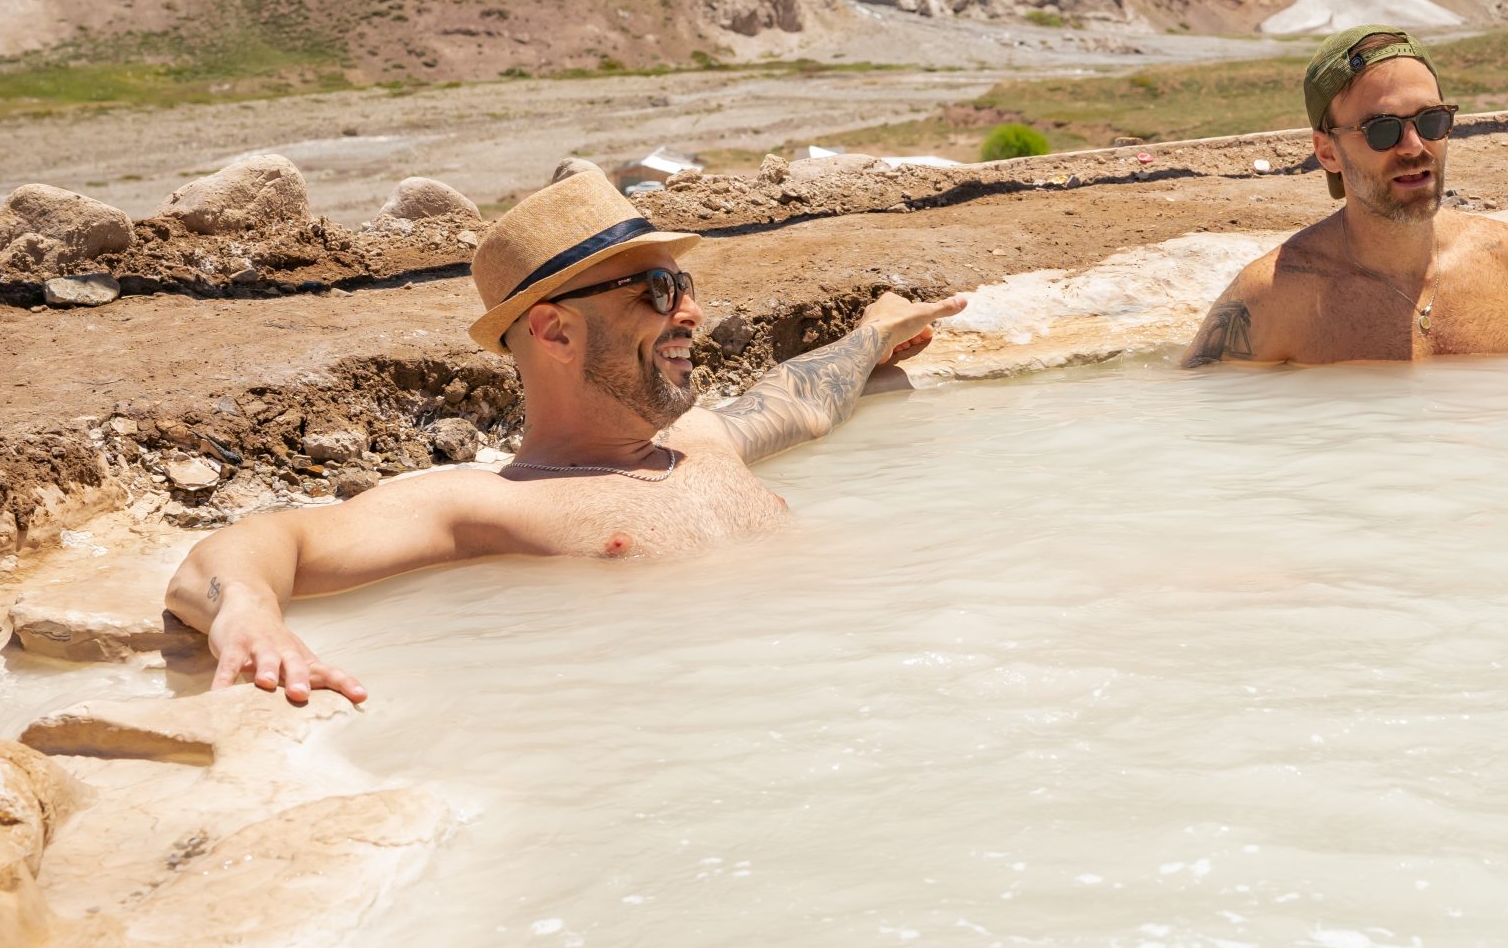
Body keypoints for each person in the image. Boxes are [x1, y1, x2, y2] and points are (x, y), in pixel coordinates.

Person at [165, 166, 965, 704]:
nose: (689, 311)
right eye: (656, 289)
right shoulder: (489, 503)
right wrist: (244, 609)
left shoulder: (703, 441)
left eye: (684, 284)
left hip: (885, 685)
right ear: (551, 331)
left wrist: (873, 334)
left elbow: (799, 397)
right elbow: (255, 543)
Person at [1183, 25, 1508, 367]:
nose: (1413, 147)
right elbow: (1197, 406)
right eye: (1381, 129)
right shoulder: (1275, 296)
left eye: (1431, 121)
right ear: (1327, 153)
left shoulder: (1506, 257)